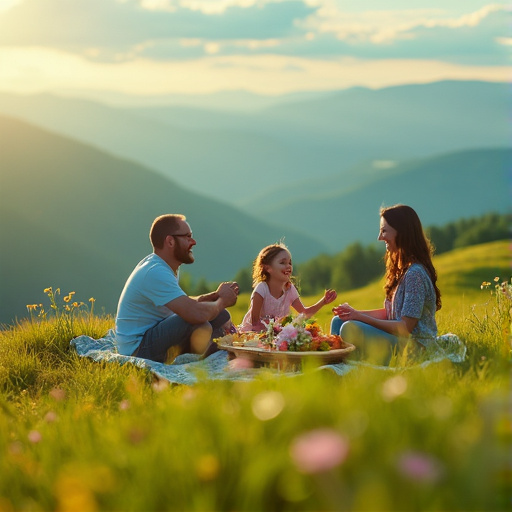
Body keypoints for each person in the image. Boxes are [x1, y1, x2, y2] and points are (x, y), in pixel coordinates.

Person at [115, 214, 239, 362]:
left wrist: (209, 297)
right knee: (200, 323)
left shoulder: (166, 266)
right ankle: (205, 357)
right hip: (137, 350)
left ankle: (212, 352)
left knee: (221, 315)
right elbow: (195, 314)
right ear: (170, 241)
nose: (193, 242)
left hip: (154, 333)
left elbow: (179, 302)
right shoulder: (156, 272)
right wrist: (223, 300)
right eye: (187, 237)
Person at [331, 204, 442, 364]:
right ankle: (337, 367)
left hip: (415, 347)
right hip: (397, 339)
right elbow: (390, 314)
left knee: (350, 328)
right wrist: (353, 313)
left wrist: (359, 317)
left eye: (384, 230)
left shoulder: (415, 274)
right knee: (339, 321)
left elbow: (405, 328)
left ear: (402, 232)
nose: (379, 237)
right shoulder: (403, 270)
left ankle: (351, 368)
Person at [239, 243, 337, 332]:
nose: (288, 266)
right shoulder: (262, 289)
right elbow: (255, 323)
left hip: (274, 337)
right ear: (268, 268)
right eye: (282, 263)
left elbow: (304, 313)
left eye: (290, 263)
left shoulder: (289, 289)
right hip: (252, 336)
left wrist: (323, 301)